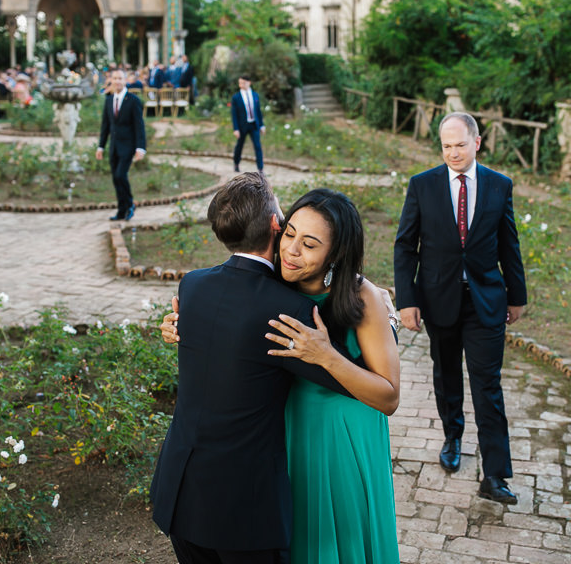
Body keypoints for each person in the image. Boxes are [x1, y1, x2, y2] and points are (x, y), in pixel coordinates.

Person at [159, 185, 401, 563]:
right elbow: (234, 314)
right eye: (289, 234)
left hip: (339, 437)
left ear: (335, 253)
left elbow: (389, 396)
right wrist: (184, 326)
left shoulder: (361, 294)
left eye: (309, 244)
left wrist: (328, 355)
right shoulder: (275, 281)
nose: (291, 250)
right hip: (283, 434)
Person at [393, 111, 527, 505]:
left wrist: (517, 295)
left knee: (488, 385)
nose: (453, 153)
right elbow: (405, 246)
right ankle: (453, 436)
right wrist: (408, 301)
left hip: (486, 299)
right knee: (447, 372)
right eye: (446, 146)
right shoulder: (422, 186)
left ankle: (496, 474)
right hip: (439, 299)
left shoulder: (499, 186)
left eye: (460, 145)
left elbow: (509, 245)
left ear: (477, 142)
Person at [96, 69, 146, 221]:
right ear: (111, 81)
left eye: (120, 78)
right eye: (115, 78)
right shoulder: (109, 99)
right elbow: (105, 126)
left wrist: (140, 147)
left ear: (125, 81)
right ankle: (121, 209)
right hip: (113, 147)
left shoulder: (133, 100)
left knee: (120, 175)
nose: (117, 81)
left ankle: (130, 204)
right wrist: (101, 147)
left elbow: (139, 126)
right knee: (115, 178)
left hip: (128, 146)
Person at [231, 75, 265, 173]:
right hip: (242, 126)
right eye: (240, 83)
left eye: (243, 83)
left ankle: (260, 168)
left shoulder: (255, 95)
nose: (241, 85)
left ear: (249, 83)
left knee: (257, 146)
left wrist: (262, 125)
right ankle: (236, 163)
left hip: (254, 124)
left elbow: (258, 111)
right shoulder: (236, 97)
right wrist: (236, 129)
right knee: (240, 145)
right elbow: (234, 114)